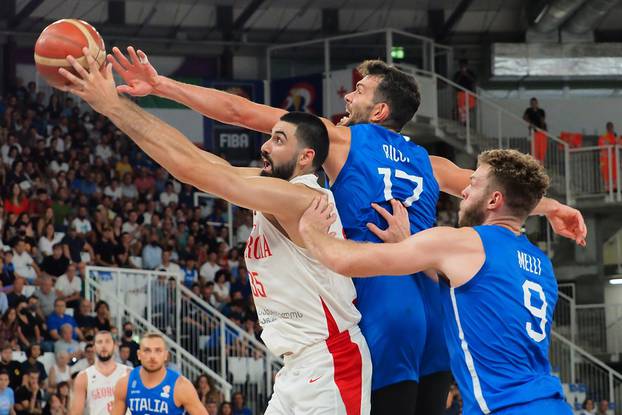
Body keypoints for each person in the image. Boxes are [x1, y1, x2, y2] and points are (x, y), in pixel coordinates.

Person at [104, 48, 586, 415]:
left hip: (380, 301)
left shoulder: (339, 139)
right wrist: (555, 207)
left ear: (378, 111)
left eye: (358, 91)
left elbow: (239, 113)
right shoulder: (430, 163)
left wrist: (162, 85)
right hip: (433, 311)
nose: (348, 96)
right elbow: (494, 191)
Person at [60, 53, 372, 415]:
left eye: (278, 140)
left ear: (306, 157)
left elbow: (193, 170)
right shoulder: (273, 188)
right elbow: (201, 162)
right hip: (299, 367)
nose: (265, 146)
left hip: (331, 362)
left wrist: (112, 105)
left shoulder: (301, 198)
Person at [299, 149, 573, 415]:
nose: (463, 191)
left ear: (494, 200)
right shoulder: (540, 263)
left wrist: (310, 230)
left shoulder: (463, 242)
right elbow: (470, 285)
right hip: (552, 403)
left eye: (474, 185)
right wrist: (409, 245)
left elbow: (348, 262)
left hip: (504, 407)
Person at [111, 332, 207, 414]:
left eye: (158, 351)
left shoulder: (181, 385)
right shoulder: (125, 383)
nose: (152, 356)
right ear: (139, 355)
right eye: (147, 350)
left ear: (165, 355)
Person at [70, 331, 130, 415]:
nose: (103, 345)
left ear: (115, 346)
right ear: (94, 347)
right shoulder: (83, 377)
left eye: (107, 341)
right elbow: (76, 412)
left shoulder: (129, 373)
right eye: (99, 342)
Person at [598, 121, 621, 192]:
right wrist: (613, 145)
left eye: (612, 127)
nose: (611, 128)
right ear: (607, 128)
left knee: (615, 174)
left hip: (614, 160)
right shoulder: (603, 137)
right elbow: (602, 145)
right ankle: (607, 190)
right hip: (605, 160)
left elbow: (619, 144)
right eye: (609, 127)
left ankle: (615, 188)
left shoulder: (615, 136)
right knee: (607, 175)